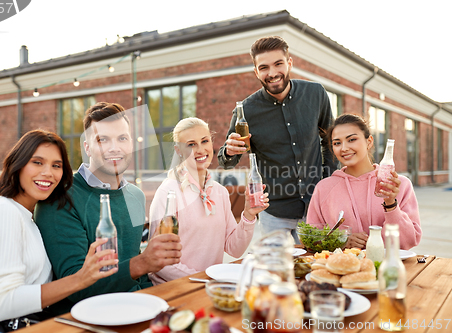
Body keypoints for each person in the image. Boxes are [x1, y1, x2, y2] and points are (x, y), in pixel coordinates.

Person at [0, 130, 117, 332]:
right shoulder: (3, 212)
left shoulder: (29, 216)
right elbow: (0, 304)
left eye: (56, 165)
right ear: (18, 165)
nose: (48, 172)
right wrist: (80, 278)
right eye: (37, 162)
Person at [35, 102, 182, 314]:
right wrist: (142, 263)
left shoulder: (135, 196)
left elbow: (138, 275)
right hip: (84, 319)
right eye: (103, 139)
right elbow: (73, 287)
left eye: (122, 138)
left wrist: (159, 305)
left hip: (137, 308)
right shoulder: (60, 198)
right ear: (87, 147)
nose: (115, 148)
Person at [218, 35, 336, 242]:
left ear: (289, 63)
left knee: (314, 270)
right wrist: (229, 152)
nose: (272, 73)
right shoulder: (245, 111)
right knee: (276, 272)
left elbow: (331, 142)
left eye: (278, 64)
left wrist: (327, 183)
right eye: (264, 68)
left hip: (315, 207)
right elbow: (227, 161)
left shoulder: (316, 94)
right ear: (256, 72)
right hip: (273, 212)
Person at [149, 118, 269, 284]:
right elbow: (160, 262)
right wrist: (205, 279)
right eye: (191, 144)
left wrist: (248, 215)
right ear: (179, 151)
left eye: (204, 141)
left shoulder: (220, 192)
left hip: (209, 286)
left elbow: (235, 249)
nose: (200, 149)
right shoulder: (167, 192)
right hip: (176, 288)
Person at [306, 113, 422, 249]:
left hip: (387, 268)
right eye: (337, 143)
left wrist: (391, 204)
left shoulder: (398, 184)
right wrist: (341, 241)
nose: (343, 148)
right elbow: (310, 240)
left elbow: (407, 242)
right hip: (341, 269)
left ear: (369, 141)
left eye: (352, 139)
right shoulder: (324, 188)